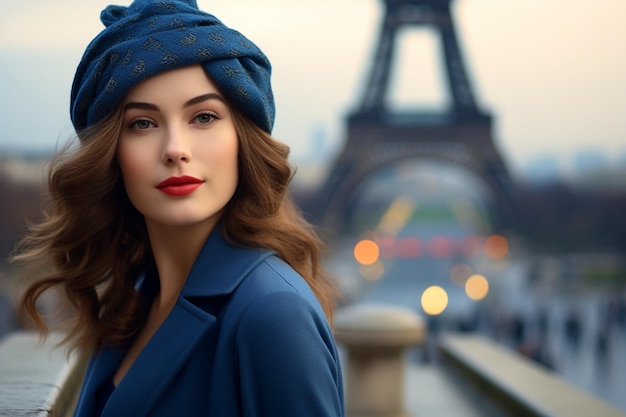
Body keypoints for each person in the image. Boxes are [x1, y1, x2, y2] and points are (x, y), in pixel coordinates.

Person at [11, 1, 345, 416]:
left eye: (203, 117)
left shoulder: (274, 314)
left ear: (243, 139)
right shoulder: (134, 297)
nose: (175, 150)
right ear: (111, 153)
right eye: (142, 124)